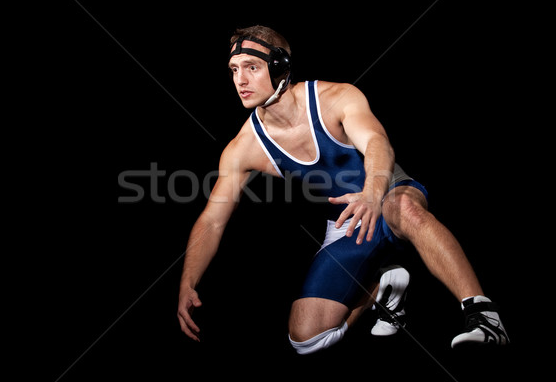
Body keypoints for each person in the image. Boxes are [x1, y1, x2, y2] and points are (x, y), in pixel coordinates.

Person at [177, 25, 509, 353]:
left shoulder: (333, 98)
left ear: (280, 67)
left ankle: (483, 316)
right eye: (234, 69)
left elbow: (377, 142)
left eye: (251, 67)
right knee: (305, 339)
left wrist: (372, 192)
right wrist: (188, 282)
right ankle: (381, 288)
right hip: (346, 223)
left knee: (402, 207)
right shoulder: (244, 148)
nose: (240, 80)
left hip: (389, 194)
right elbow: (212, 221)